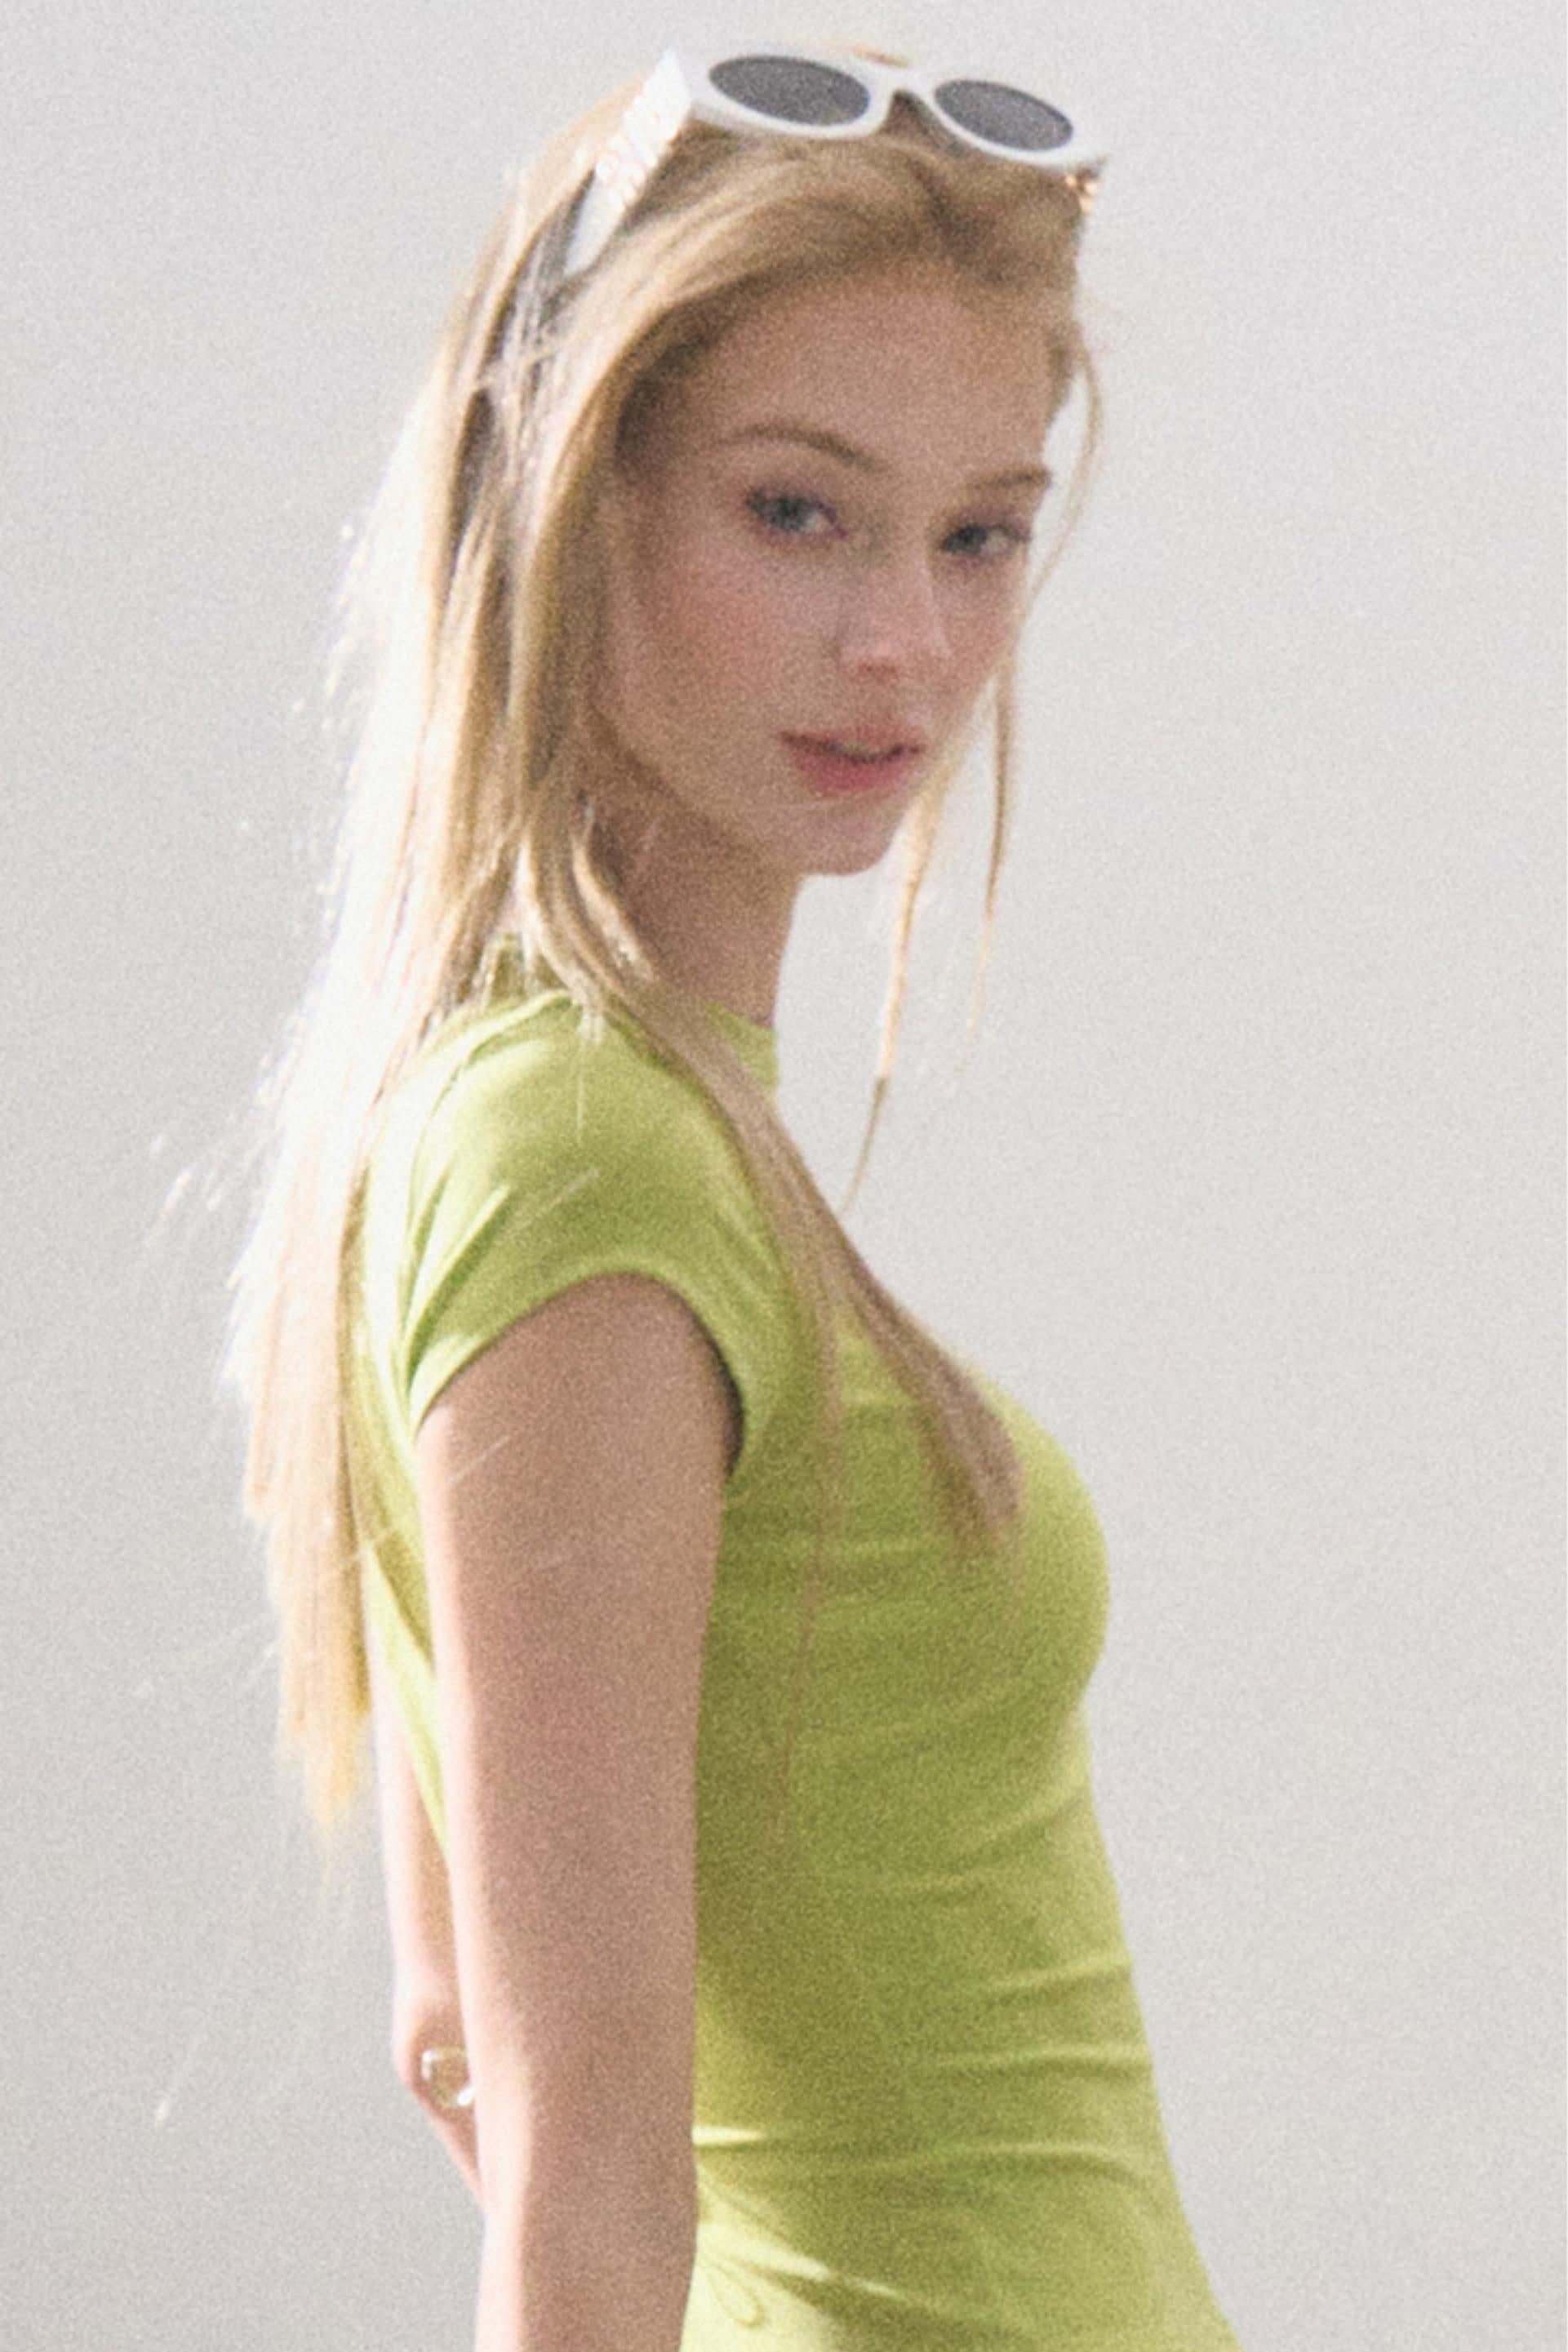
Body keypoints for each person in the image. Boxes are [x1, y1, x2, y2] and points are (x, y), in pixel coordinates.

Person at [220, 39, 1244, 2352]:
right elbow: (579, 2198)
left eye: (980, 531)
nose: (908, 644)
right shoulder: (581, 1159)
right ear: (564, 490)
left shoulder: (587, 1127)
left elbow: (446, 2023)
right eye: (797, 511)